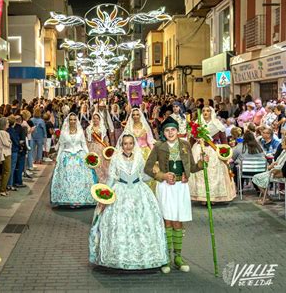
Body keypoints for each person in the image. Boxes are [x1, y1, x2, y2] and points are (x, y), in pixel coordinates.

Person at [88, 133, 168, 271]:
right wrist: (105, 195)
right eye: (125, 143)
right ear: (121, 145)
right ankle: (119, 257)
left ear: (133, 144)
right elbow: (112, 178)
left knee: (144, 221)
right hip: (120, 191)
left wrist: (155, 173)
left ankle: (147, 256)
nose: (128, 146)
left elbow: (143, 176)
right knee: (118, 223)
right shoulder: (116, 158)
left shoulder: (139, 157)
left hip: (139, 192)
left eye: (131, 143)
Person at [144, 117, 207, 273]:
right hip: (165, 187)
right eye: (167, 130)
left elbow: (191, 167)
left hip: (181, 188)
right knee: (168, 221)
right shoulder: (159, 146)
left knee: (178, 221)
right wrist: (162, 176)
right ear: (163, 133)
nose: (170, 132)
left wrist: (201, 163)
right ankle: (165, 257)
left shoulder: (185, 144)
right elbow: (148, 168)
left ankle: (178, 257)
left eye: (173, 130)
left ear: (177, 131)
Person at [189, 106, 236, 203]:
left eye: (208, 111)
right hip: (199, 150)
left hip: (213, 151)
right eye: (204, 111)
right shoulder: (197, 124)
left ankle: (213, 197)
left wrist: (226, 153)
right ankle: (202, 197)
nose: (206, 112)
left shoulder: (218, 124)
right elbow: (192, 139)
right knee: (199, 174)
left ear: (212, 112)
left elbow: (224, 141)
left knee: (214, 174)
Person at [50, 113, 97, 206]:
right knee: (67, 178)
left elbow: (84, 145)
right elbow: (62, 146)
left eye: (74, 120)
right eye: (71, 120)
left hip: (80, 156)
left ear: (76, 121)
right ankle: (68, 199)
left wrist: (88, 157)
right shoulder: (64, 133)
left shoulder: (80, 132)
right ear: (68, 121)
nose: (72, 121)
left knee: (81, 178)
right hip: (67, 156)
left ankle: (80, 198)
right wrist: (58, 158)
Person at [252, 135, 286, 203]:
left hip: (279, 173)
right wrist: (272, 165)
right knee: (255, 177)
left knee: (257, 177)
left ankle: (267, 197)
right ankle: (268, 197)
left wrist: (272, 167)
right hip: (274, 170)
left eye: (283, 142)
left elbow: (282, 167)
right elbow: (277, 162)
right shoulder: (284, 151)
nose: (281, 143)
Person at [86, 113, 111, 183]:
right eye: (94, 118)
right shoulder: (89, 128)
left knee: (102, 164)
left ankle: (102, 179)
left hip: (101, 147)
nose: (95, 120)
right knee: (93, 162)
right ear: (92, 119)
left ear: (99, 119)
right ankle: (94, 178)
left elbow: (105, 138)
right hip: (92, 147)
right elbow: (88, 140)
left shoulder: (102, 128)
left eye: (97, 118)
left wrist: (108, 147)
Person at [0, 117, 12, 197]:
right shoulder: (3, 133)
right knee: (7, 172)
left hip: (5, 153)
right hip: (6, 153)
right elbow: (7, 143)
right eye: (7, 122)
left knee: (5, 172)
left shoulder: (1, 132)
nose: (8, 124)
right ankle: (2, 189)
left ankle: (3, 189)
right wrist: (10, 142)